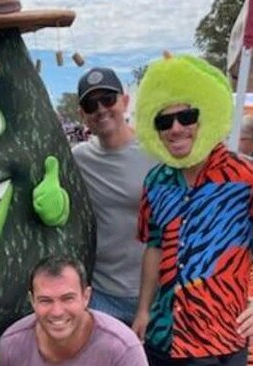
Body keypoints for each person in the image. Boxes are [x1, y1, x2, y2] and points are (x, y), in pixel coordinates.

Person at [132, 53, 253, 365]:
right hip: (163, 337)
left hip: (222, 338)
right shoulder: (156, 180)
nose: (175, 128)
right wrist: (144, 310)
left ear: (206, 117)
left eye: (187, 117)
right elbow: (154, 248)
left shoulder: (244, 178)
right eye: (163, 121)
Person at [72, 67, 155, 325]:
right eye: (90, 103)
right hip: (101, 294)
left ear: (125, 101)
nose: (100, 109)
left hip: (152, 294)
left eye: (108, 99)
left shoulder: (157, 154)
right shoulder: (78, 158)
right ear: (82, 114)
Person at [0, 255, 147, 366]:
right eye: (45, 300)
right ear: (32, 301)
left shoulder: (122, 349)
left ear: (86, 297)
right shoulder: (12, 345)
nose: (57, 311)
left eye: (67, 298)